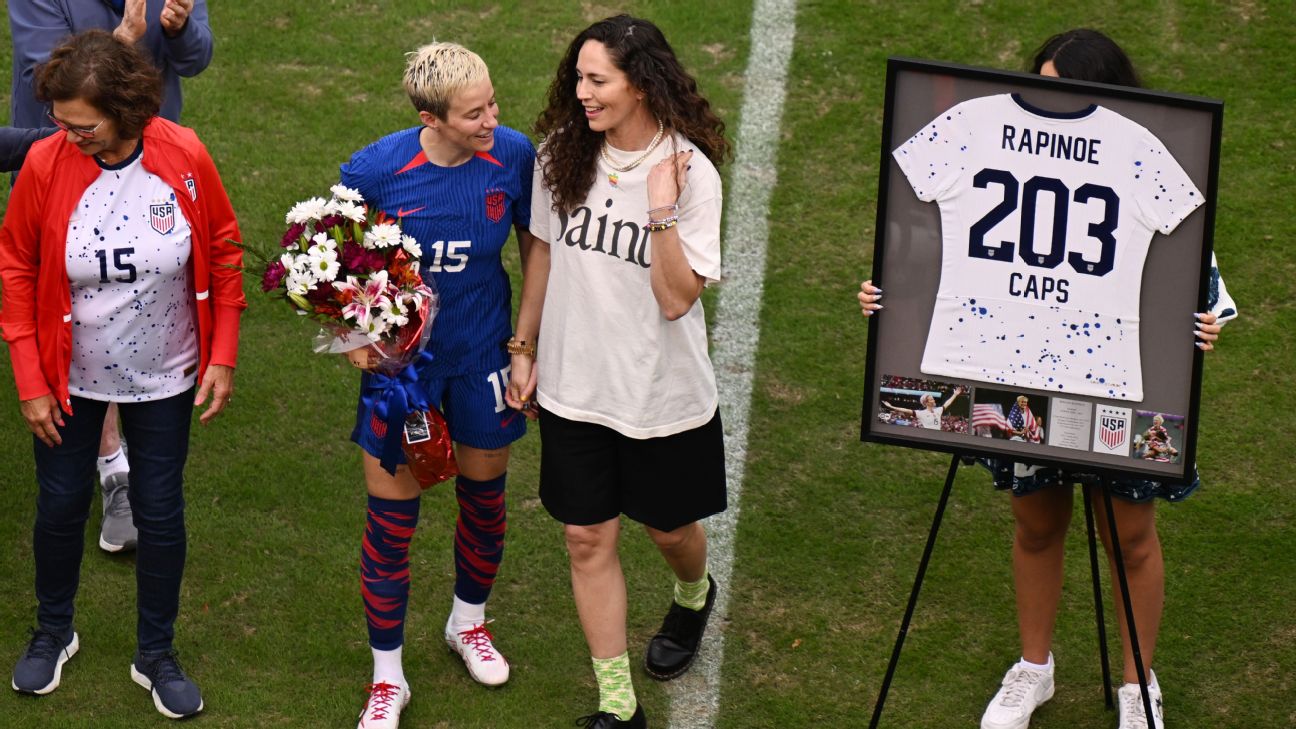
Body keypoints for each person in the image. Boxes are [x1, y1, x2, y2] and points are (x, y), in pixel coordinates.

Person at [859, 28, 1238, 729]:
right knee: (1034, 524)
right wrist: (889, 298)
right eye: (1041, 82)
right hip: (1018, 383)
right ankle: (1035, 667)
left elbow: (1195, 271)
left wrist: (1204, 322)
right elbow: (916, 226)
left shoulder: (1138, 146)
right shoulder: (984, 127)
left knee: (1129, 537)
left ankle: (1136, 684)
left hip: (1113, 388)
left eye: (1065, 86)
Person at [0, 29, 243, 719]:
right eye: (59, 121)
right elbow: (15, 263)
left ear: (126, 108)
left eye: (82, 122)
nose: (64, 133)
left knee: (161, 514)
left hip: (165, 379)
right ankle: (53, 630)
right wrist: (29, 379)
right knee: (58, 506)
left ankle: (156, 652)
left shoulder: (185, 153)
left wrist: (222, 350)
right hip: (65, 383)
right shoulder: (47, 164)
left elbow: (223, 248)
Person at [507, 15, 730, 728]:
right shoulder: (560, 155)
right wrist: (525, 346)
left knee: (669, 530)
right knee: (585, 537)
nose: (581, 93)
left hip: (661, 395)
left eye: (596, 80)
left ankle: (694, 594)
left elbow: (674, 298)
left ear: (641, 83)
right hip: (577, 388)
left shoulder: (692, 174)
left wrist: (660, 208)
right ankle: (617, 703)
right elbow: (542, 250)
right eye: (578, 77)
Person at [338, 41, 537, 728]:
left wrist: (524, 347)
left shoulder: (513, 156)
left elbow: (536, 249)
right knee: (392, 523)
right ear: (432, 117)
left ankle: (467, 622)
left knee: (484, 499)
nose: (493, 119)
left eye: (492, 103)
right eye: (475, 112)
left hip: (483, 356)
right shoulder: (376, 169)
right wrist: (355, 334)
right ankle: (387, 677)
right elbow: (328, 251)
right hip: (404, 374)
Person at [9, 0, 214, 555]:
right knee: (77, 302)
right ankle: (110, 464)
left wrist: (179, 28)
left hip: (153, 170)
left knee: (137, 300)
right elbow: (42, 77)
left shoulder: (184, 151)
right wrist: (121, 45)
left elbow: (197, 57)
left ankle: (155, 643)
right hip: (62, 176)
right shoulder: (58, 146)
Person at [883, 386, 964, 430]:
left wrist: (955, 394)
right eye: (931, 399)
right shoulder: (921, 413)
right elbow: (906, 410)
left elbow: (948, 403)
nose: (934, 400)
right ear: (926, 402)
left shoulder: (938, 410)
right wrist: (891, 407)